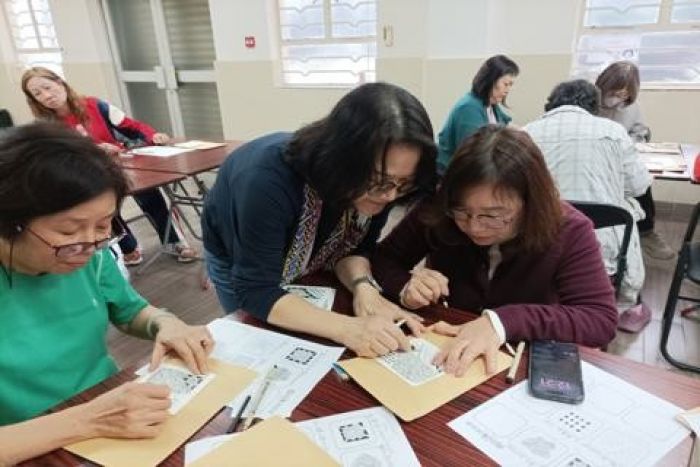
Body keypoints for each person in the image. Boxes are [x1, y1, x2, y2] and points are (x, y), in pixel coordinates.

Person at [0, 123, 214, 464]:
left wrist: (165, 323)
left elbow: (129, 310)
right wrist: (87, 420)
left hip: (109, 409)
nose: (90, 245)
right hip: (34, 443)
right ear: (9, 224)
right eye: (68, 230)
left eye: (103, 225)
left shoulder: (87, 255)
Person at [202, 82, 437, 357]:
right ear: (342, 159)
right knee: (256, 340)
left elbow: (357, 249)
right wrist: (350, 329)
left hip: (311, 256)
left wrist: (364, 288)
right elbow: (255, 290)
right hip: (239, 257)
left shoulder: (384, 185)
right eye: (380, 182)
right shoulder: (267, 180)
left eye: (404, 183)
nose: (390, 196)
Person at [372, 125, 618, 377]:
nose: (474, 227)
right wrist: (405, 285)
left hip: (517, 363)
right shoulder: (440, 208)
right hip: (443, 349)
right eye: (462, 212)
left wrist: (502, 322)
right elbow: (383, 258)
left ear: (530, 203)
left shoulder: (569, 230)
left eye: (492, 216)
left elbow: (600, 320)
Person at [20, 67, 197, 266]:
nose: (46, 96)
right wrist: (92, 151)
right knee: (103, 209)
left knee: (151, 198)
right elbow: (54, 159)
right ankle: (128, 247)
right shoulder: (45, 126)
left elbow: (131, 127)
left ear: (60, 83)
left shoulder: (95, 105)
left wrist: (153, 136)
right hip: (87, 175)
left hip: (123, 166)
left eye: (47, 87)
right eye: (37, 94)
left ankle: (174, 241)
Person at [524, 79, 652, 333]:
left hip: (540, 245)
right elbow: (639, 186)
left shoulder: (526, 133)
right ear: (595, 106)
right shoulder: (614, 132)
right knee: (625, 210)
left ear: (551, 104)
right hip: (603, 248)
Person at [595, 61, 675, 260]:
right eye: (614, 93)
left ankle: (646, 233)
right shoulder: (588, 101)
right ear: (603, 86)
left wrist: (635, 140)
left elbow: (640, 131)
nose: (617, 99)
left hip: (622, 158)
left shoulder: (631, 107)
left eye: (624, 96)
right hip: (595, 158)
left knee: (642, 182)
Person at [436, 55, 519, 172]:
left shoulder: (491, 105)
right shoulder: (469, 108)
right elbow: (472, 154)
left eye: (511, 85)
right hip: (452, 173)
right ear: (491, 80)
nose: (507, 90)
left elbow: (506, 125)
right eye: (505, 84)